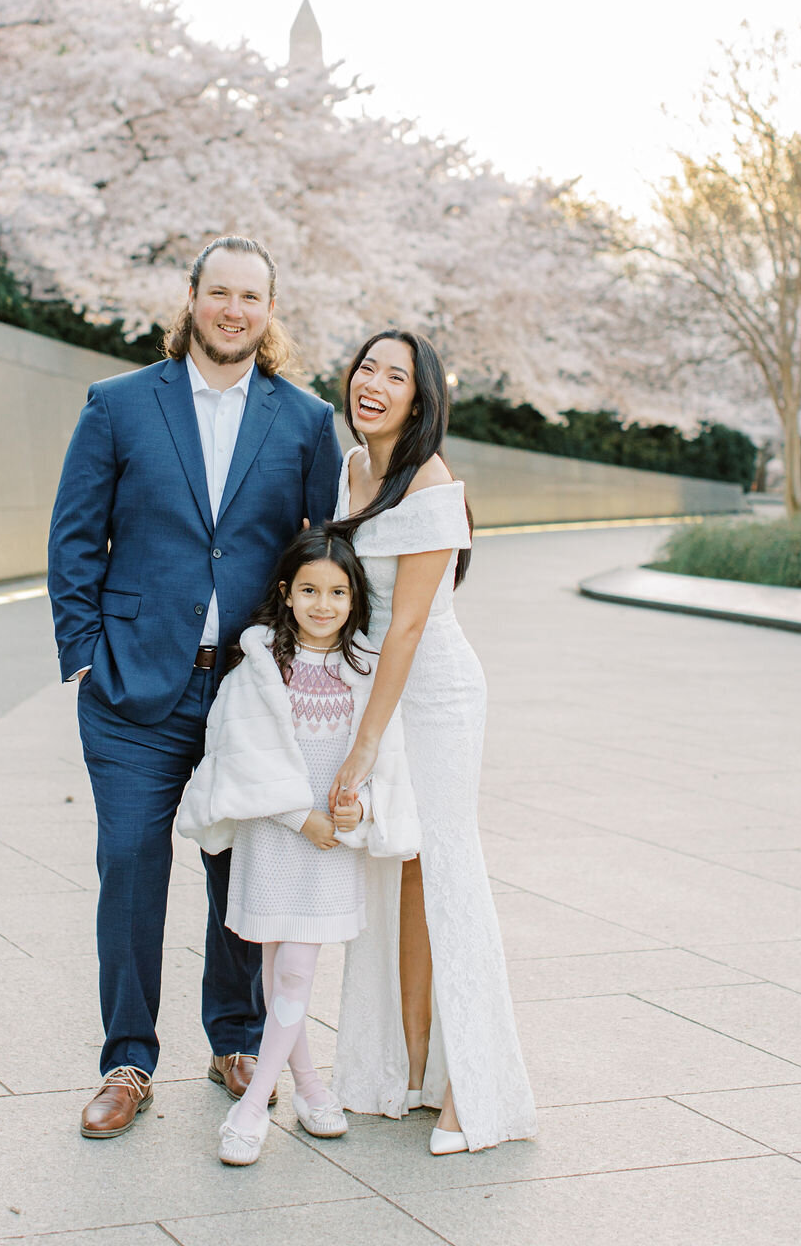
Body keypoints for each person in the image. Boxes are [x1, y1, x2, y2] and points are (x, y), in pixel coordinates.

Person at [47, 236, 341, 1140]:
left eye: (251, 297)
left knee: (239, 874)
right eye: (220, 293)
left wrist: (307, 673)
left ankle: (236, 1039)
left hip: (248, 696)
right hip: (133, 690)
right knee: (131, 866)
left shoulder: (303, 420)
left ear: (268, 309)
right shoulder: (120, 405)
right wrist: (87, 653)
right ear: (193, 298)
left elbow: (325, 550)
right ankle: (127, 1060)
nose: (234, 310)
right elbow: (72, 540)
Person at [328, 329, 537, 1155]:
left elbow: (409, 623)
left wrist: (362, 747)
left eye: (396, 376)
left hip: (433, 696)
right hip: (375, 687)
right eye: (367, 368)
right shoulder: (350, 469)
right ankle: (403, 1069)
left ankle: (471, 1090)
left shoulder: (431, 478)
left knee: (445, 869)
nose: (373, 384)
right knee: (395, 873)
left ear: (422, 399)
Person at [177, 526, 421, 1165]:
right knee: (278, 963)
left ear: (354, 600)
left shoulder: (365, 671)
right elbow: (238, 757)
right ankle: (310, 1086)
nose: (323, 604)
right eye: (309, 590)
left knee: (296, 968)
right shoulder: (258, 668)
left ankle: (254, 1103)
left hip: (329, 846)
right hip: (279, 838)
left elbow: (385, 760)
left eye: (338, 592)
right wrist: (297, 815)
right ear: (285, 594)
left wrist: (355, 808)